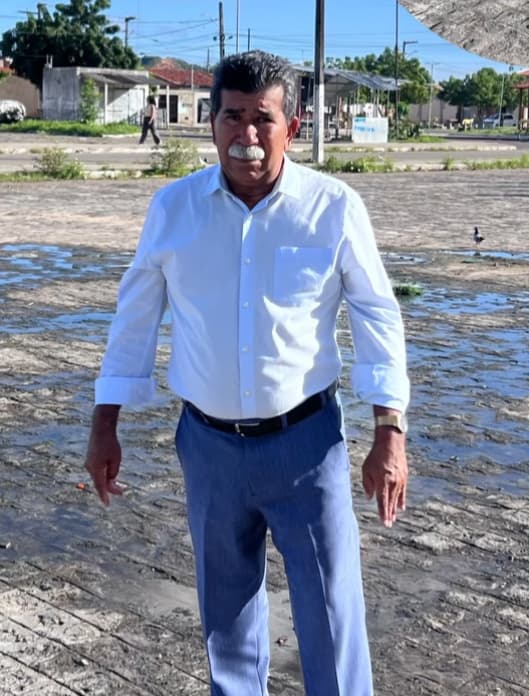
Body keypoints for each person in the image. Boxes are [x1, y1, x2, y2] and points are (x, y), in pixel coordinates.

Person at [84, 51, 410, 696]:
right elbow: (135, 317)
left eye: (264, 118)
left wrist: (389, 429)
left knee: (332, 615)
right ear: (212, 124)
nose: (248, 136)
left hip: (307, 446)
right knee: (225, 618)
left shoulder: (333, 207)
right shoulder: (174, 209)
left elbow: (377, 313)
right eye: (233, 117)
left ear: (293, 123)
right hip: (207, 449)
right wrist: (105, 424)